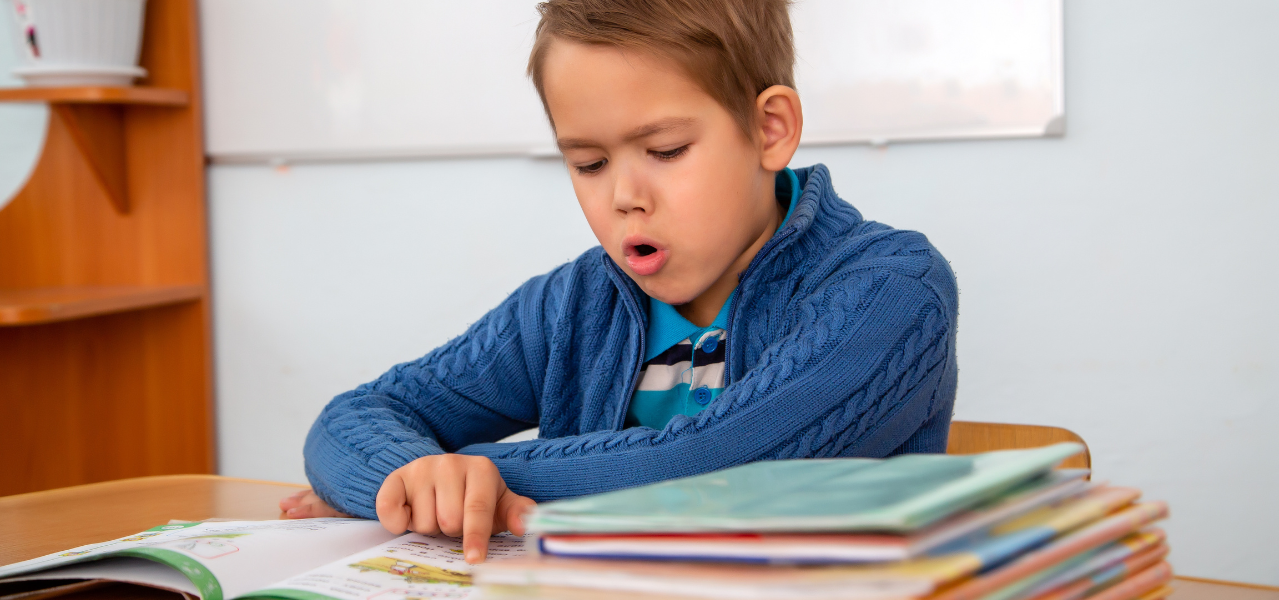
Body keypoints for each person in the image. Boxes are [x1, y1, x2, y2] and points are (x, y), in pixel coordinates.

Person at [280, 0, 959, 564]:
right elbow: (353, 418)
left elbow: (719, 467)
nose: (625, 197)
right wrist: (408, 474)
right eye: (589, 162)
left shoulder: (891, 289)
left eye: (664, 152)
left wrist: (448, 483)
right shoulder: (571, 305)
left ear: (769, 129)